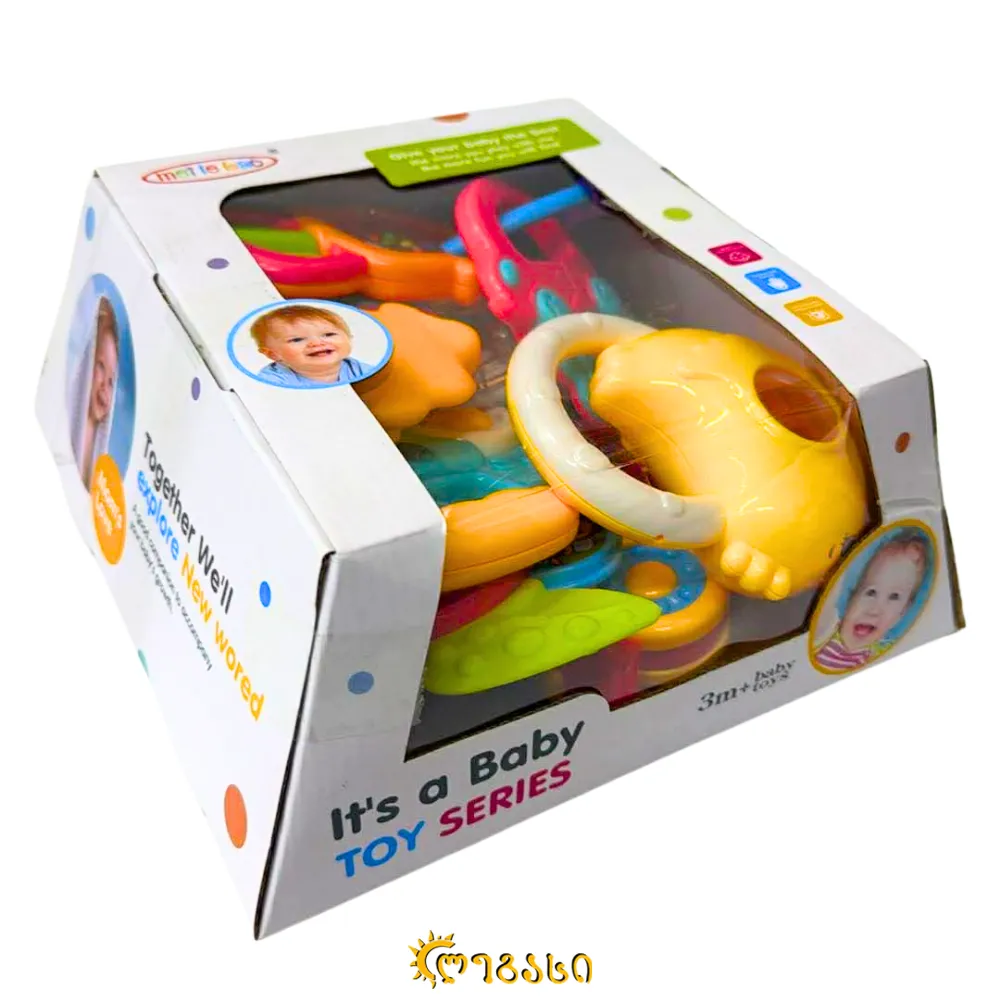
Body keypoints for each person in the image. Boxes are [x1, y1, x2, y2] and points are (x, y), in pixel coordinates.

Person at [813, 529, 931, 670]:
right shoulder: (825, 632)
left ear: (903, 612)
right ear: (851, 595)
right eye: (871, 592)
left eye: (894, 597)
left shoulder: (890, 653)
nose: (874, 610)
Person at [250, 304, 375, 386]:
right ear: (273, 354)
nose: (317, 343)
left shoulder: (358, 369)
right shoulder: (274, 380)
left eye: (329, 334)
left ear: (349, 339)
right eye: (297, 340)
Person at [76, 297, 119, 488]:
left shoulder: (101, 451)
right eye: (100, 366)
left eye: (111, 382)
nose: (104, 387)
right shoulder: (72, 424)